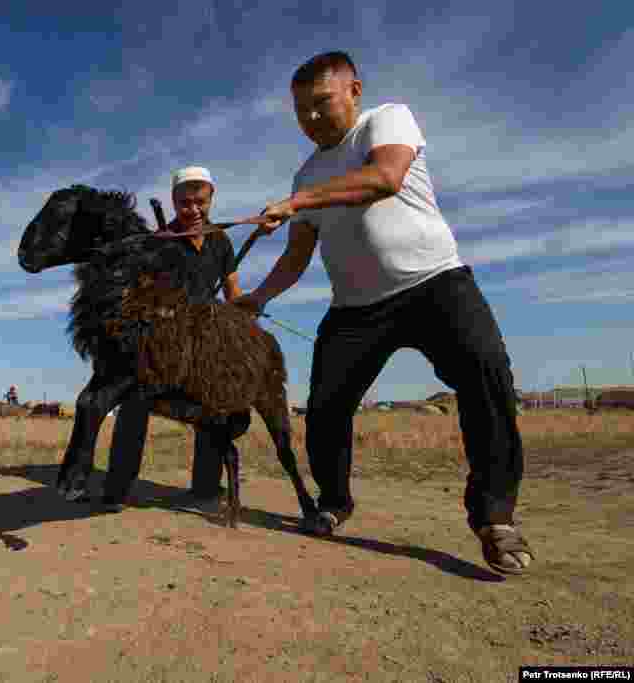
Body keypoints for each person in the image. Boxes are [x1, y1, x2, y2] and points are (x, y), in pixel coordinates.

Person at [233, 52, 532, 575]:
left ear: (354, 91)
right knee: (325, 408)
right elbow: (297, 256)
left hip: (437, 285)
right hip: (355, 310)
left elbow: (385, 178)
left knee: (487, 377)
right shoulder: (306, 173)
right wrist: (259, 297)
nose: (311, 119)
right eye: (301, 111)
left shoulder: (387, 119)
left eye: (321, 104)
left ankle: (495, 519)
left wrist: (299, 201)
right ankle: (334, 501)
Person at [100, 166, 244, 510]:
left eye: (199, 202)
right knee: (134, 404)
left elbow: (233, 290)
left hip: (206, 337)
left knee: (215, 407)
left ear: (211, 199)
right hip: (162, 339)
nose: (192, 210)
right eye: (184, 203)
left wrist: (244, 313)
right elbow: (139, 292)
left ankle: (206, 489)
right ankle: (116, 490)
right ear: (173, 201)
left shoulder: (221, 240)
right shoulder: (158, 242)